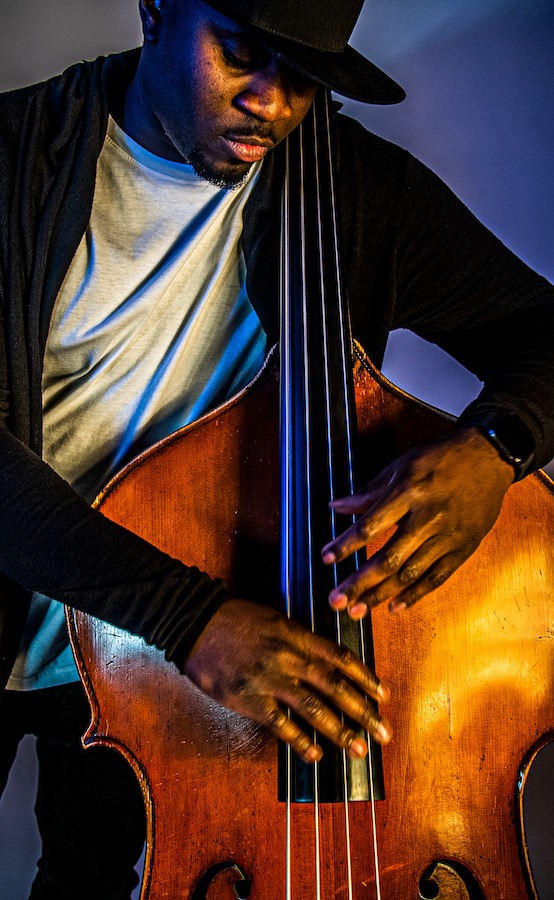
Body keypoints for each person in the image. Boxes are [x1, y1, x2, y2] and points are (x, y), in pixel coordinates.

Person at [0, 0, 553, 896]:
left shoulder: (358, 192)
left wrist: (498, 446)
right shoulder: (12, 157)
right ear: (155, 12)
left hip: (149, 677)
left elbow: (542, 330)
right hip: (167, 621)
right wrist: (190, 617)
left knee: (86, 877)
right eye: (242, 56)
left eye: (307, 77)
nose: (275, 103)